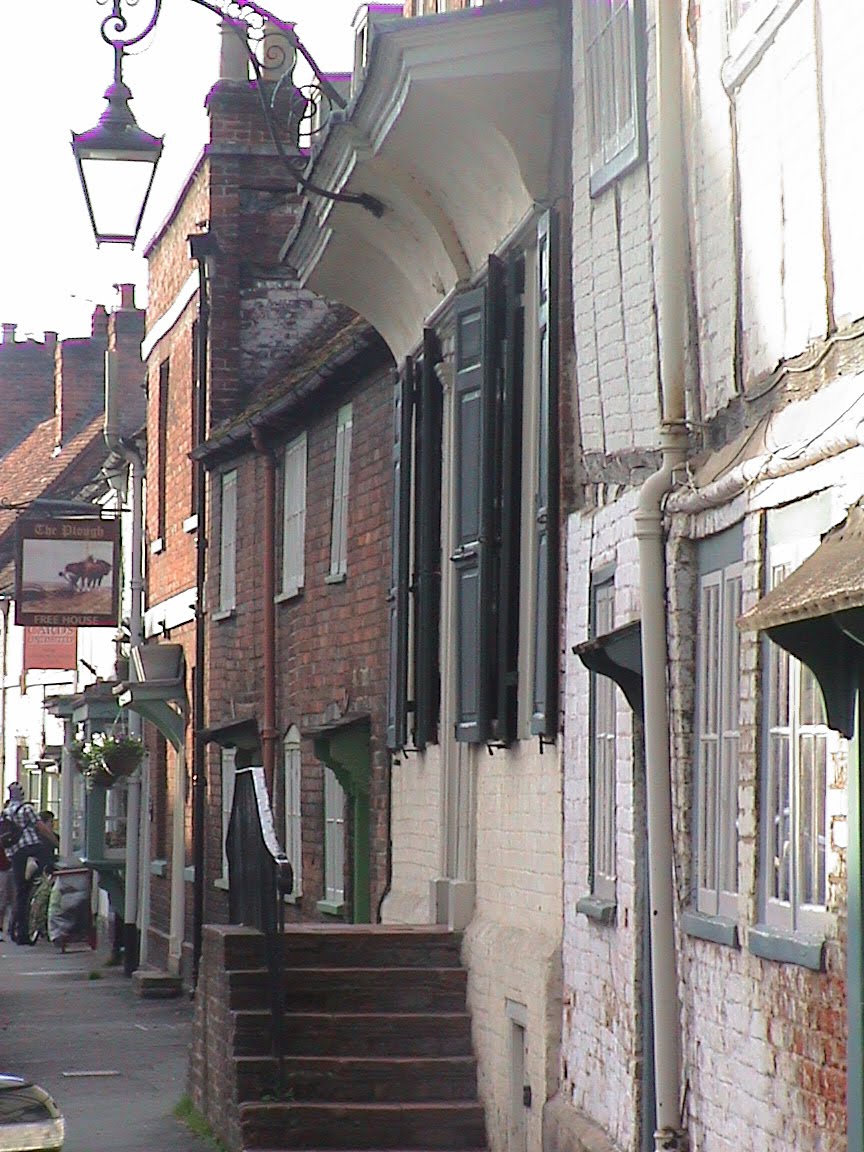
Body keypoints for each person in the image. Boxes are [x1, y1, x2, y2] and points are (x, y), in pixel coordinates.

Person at [2, 784, 59, 945]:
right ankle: (41, 882)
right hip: (32, 849)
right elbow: (42, 828)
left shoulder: (5, 812)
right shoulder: (27, 809)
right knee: (50, 868)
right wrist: (57, 843)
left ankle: (20, 933)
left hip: (15, 855)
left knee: (21, 893)